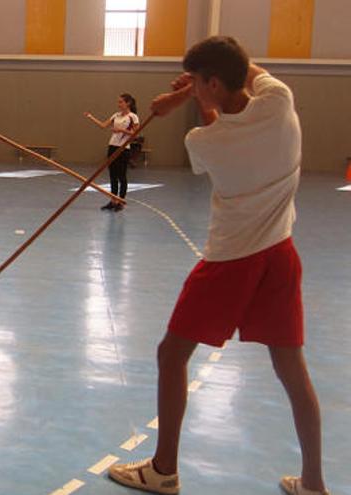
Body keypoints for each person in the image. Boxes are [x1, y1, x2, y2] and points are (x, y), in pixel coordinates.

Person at [108, 36, 329, 495]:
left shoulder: (202, 140)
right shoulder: (279, 99)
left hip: (232, 260)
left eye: (197, 81)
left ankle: (163, 469)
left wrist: (182, 97)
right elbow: (243, 73)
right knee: (292, 366)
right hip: (281, 255)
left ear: (210, 82)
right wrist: (194, 87)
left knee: (172, 355)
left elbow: (217, 125)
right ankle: (313, 483)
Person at [84, 93, 139, 211]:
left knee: (121, 176)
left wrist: (120, 130)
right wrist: (90, 117)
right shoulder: (116, 115)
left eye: (121, 102)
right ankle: (113, 200)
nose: (118, 104)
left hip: (123, 148)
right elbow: (103, 125)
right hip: (112, 147)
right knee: (112, 175)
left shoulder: (133, 117)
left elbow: (136, 134)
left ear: (128, 103)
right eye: (118, 102)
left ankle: (121, 202)